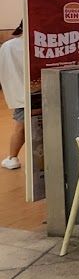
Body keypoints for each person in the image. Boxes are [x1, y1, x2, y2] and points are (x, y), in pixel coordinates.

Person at [0, 22, 25, 170]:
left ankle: (12, 157)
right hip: (44, 92)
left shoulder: (8, 46)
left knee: (20, 128)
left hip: (20, 92)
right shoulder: (43, 43)